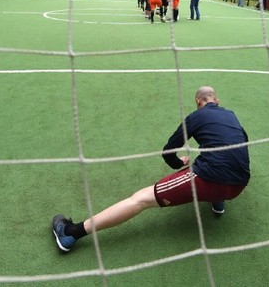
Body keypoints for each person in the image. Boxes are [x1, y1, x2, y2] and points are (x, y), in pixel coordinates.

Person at [51, 86, 250, 253]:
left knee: (140, 199)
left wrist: (179, 164)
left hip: (211, 180)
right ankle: (218, 201)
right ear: (217, 100)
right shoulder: (231, 115)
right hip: (240, 184)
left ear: (198, 102)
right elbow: (243, 142)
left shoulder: (196, 116)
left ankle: (70, 233)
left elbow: (168, 152)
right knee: (217, 157)